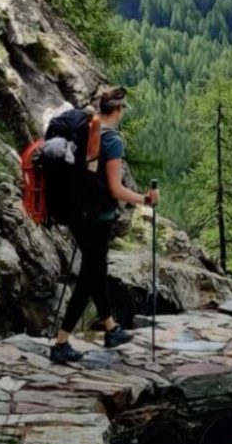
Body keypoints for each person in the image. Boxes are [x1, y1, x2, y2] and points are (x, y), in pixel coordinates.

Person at [52, 84, 158, 363]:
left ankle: (111, 329)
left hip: (76, 214)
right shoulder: (112, 140)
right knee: (89, 276)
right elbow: (115, 189)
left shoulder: (87, 129)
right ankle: (61, 343)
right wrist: (145, 199)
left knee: (98, 268)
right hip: (98, 218)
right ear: (119, 109)